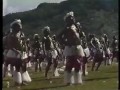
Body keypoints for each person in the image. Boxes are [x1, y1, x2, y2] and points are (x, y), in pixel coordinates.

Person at [57, 11, 84, 85]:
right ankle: (68, 81)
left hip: (78, 47)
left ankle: (77, 80)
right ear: (68, 20)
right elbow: (58, 36)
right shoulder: (66, 28)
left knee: (78, 64)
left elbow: (79, 36)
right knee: (70, 64)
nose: (73, 19)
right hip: (70, 48)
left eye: (73, 17)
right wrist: (65, 43)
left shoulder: (75, 26)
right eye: (71, 18)